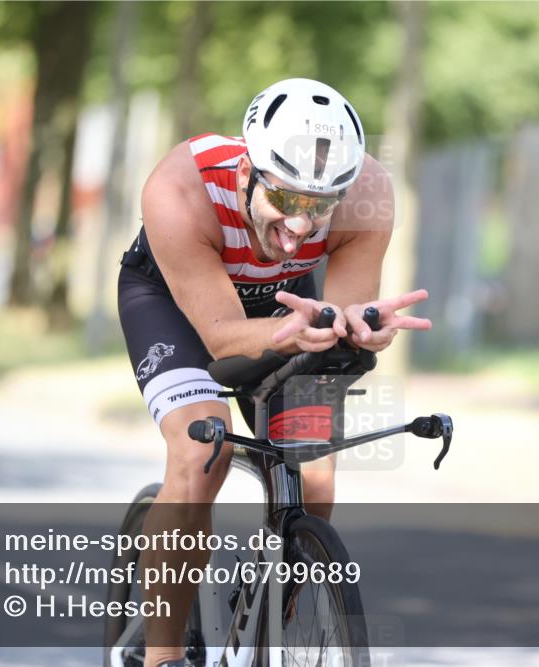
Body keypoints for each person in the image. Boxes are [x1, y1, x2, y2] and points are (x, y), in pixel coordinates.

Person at [117, 78, 431, 667]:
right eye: (285, 200)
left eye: (320, 206)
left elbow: (343, 313)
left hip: (288, 303)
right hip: (178, 306)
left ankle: (269, 623)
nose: (301, 227)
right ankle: (162, 659)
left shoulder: (369, 192)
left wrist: (360, 325)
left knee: (314, 478)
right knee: (197, 456)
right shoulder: (179, 187)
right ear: (246, 174)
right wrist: (311, 325)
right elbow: (220, 337)